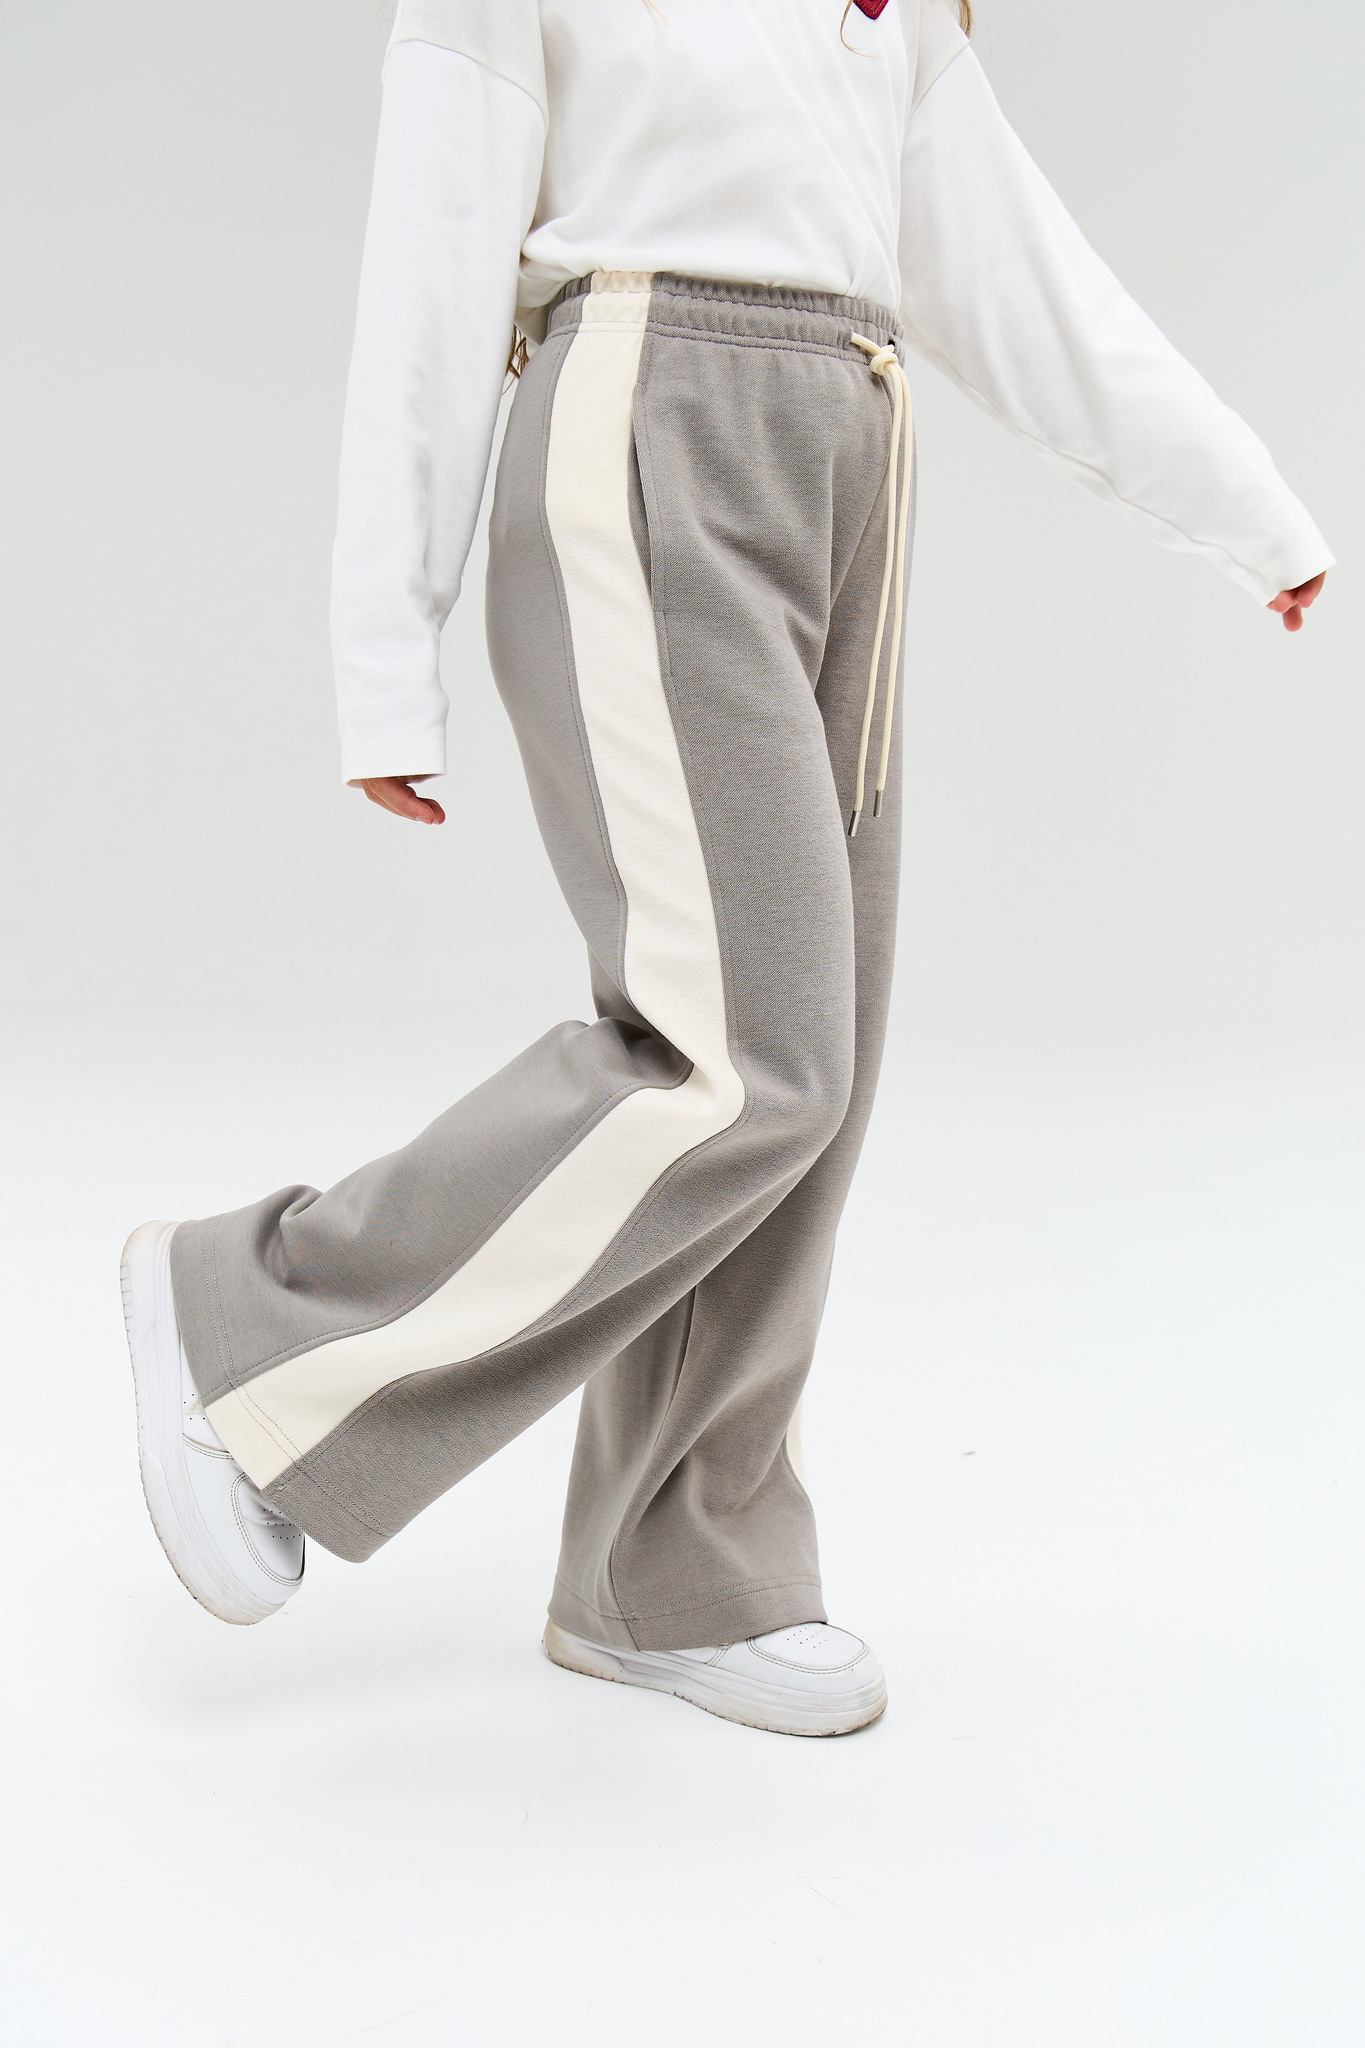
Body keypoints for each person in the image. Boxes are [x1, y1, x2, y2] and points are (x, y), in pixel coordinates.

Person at [120, 0, 1331, 1738]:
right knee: (745, 1055)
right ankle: (254, 1326)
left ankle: (670, 1573)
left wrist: (1236, 501)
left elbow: (1008, 268)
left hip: (852, 448)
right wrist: (386, 645)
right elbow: (432, 261)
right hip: (646, 424)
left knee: (803, 1071)